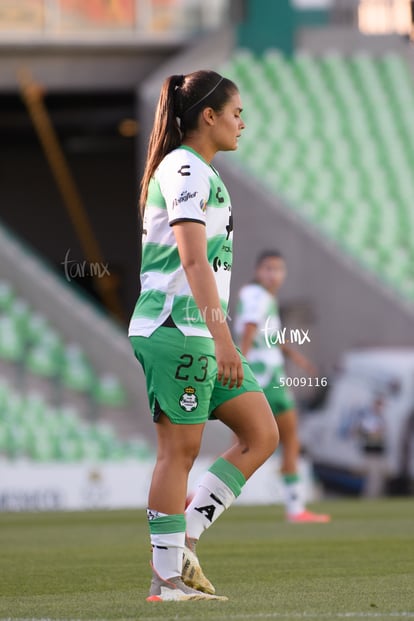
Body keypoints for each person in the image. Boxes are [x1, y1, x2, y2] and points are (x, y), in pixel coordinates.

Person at [128, 70, 279, 602]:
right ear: (208, 116)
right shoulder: (185, 168)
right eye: (236, 112)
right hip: (178, 328)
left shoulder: (200, 170)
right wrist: (221, 338)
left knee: (261, 433)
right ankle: (166, 581)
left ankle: (184, 542)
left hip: (204, 331)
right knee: (179, 452)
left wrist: (223, 339)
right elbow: (191, 258)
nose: (243, 122)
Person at [234, 250, 330, 523]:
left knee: (241, 444)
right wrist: (240, 362)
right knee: (290, 439)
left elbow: (269, 335)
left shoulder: (260, 297)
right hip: (267, 379)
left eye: (278, 269)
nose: (273, 274)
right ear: (257, 270)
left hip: (259, 377)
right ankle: (295, 508)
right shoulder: (257, 296)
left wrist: (297, 357)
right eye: (268, 268)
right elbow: (250, 329)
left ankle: (197, 497)